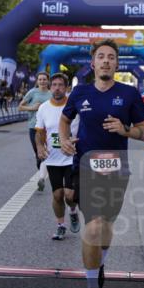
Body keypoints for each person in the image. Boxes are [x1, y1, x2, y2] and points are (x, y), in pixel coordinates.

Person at [60, 40, 144, 288]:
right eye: (101, 57)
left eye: (111, 57)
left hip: (117, 170)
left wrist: (125, 131)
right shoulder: (80, 92)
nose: (106, 61)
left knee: (106, 226)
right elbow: (65, 119)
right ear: (93, 63)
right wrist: (64, 140)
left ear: (117, 63)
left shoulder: (130, 93)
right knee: (95, 225)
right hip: (86, 167)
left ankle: (100, 264)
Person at [34, 73, 81, 239]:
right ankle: (61, 225)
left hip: (72, 156)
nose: (57, 88)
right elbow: (39, 132)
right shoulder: (44, 108)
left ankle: (73, 211)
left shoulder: (75, 106)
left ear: (67, 88)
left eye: (61, 85)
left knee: (69, 195)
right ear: (49, 87)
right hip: (53, 158)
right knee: (57, 195)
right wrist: (40, 147)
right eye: (54, 85)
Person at [19, 72, 53, 191]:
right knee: (37, 152)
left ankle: (41, 178)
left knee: (45, 151)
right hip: (34, 126)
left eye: (44, 79)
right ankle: (41, 170)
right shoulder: (32, 92)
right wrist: (32, 108)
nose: (42, 81)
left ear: (48, 81)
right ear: (37, 81)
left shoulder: (51, 94)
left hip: (48, 128)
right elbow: (20, 106)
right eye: (40, 79)